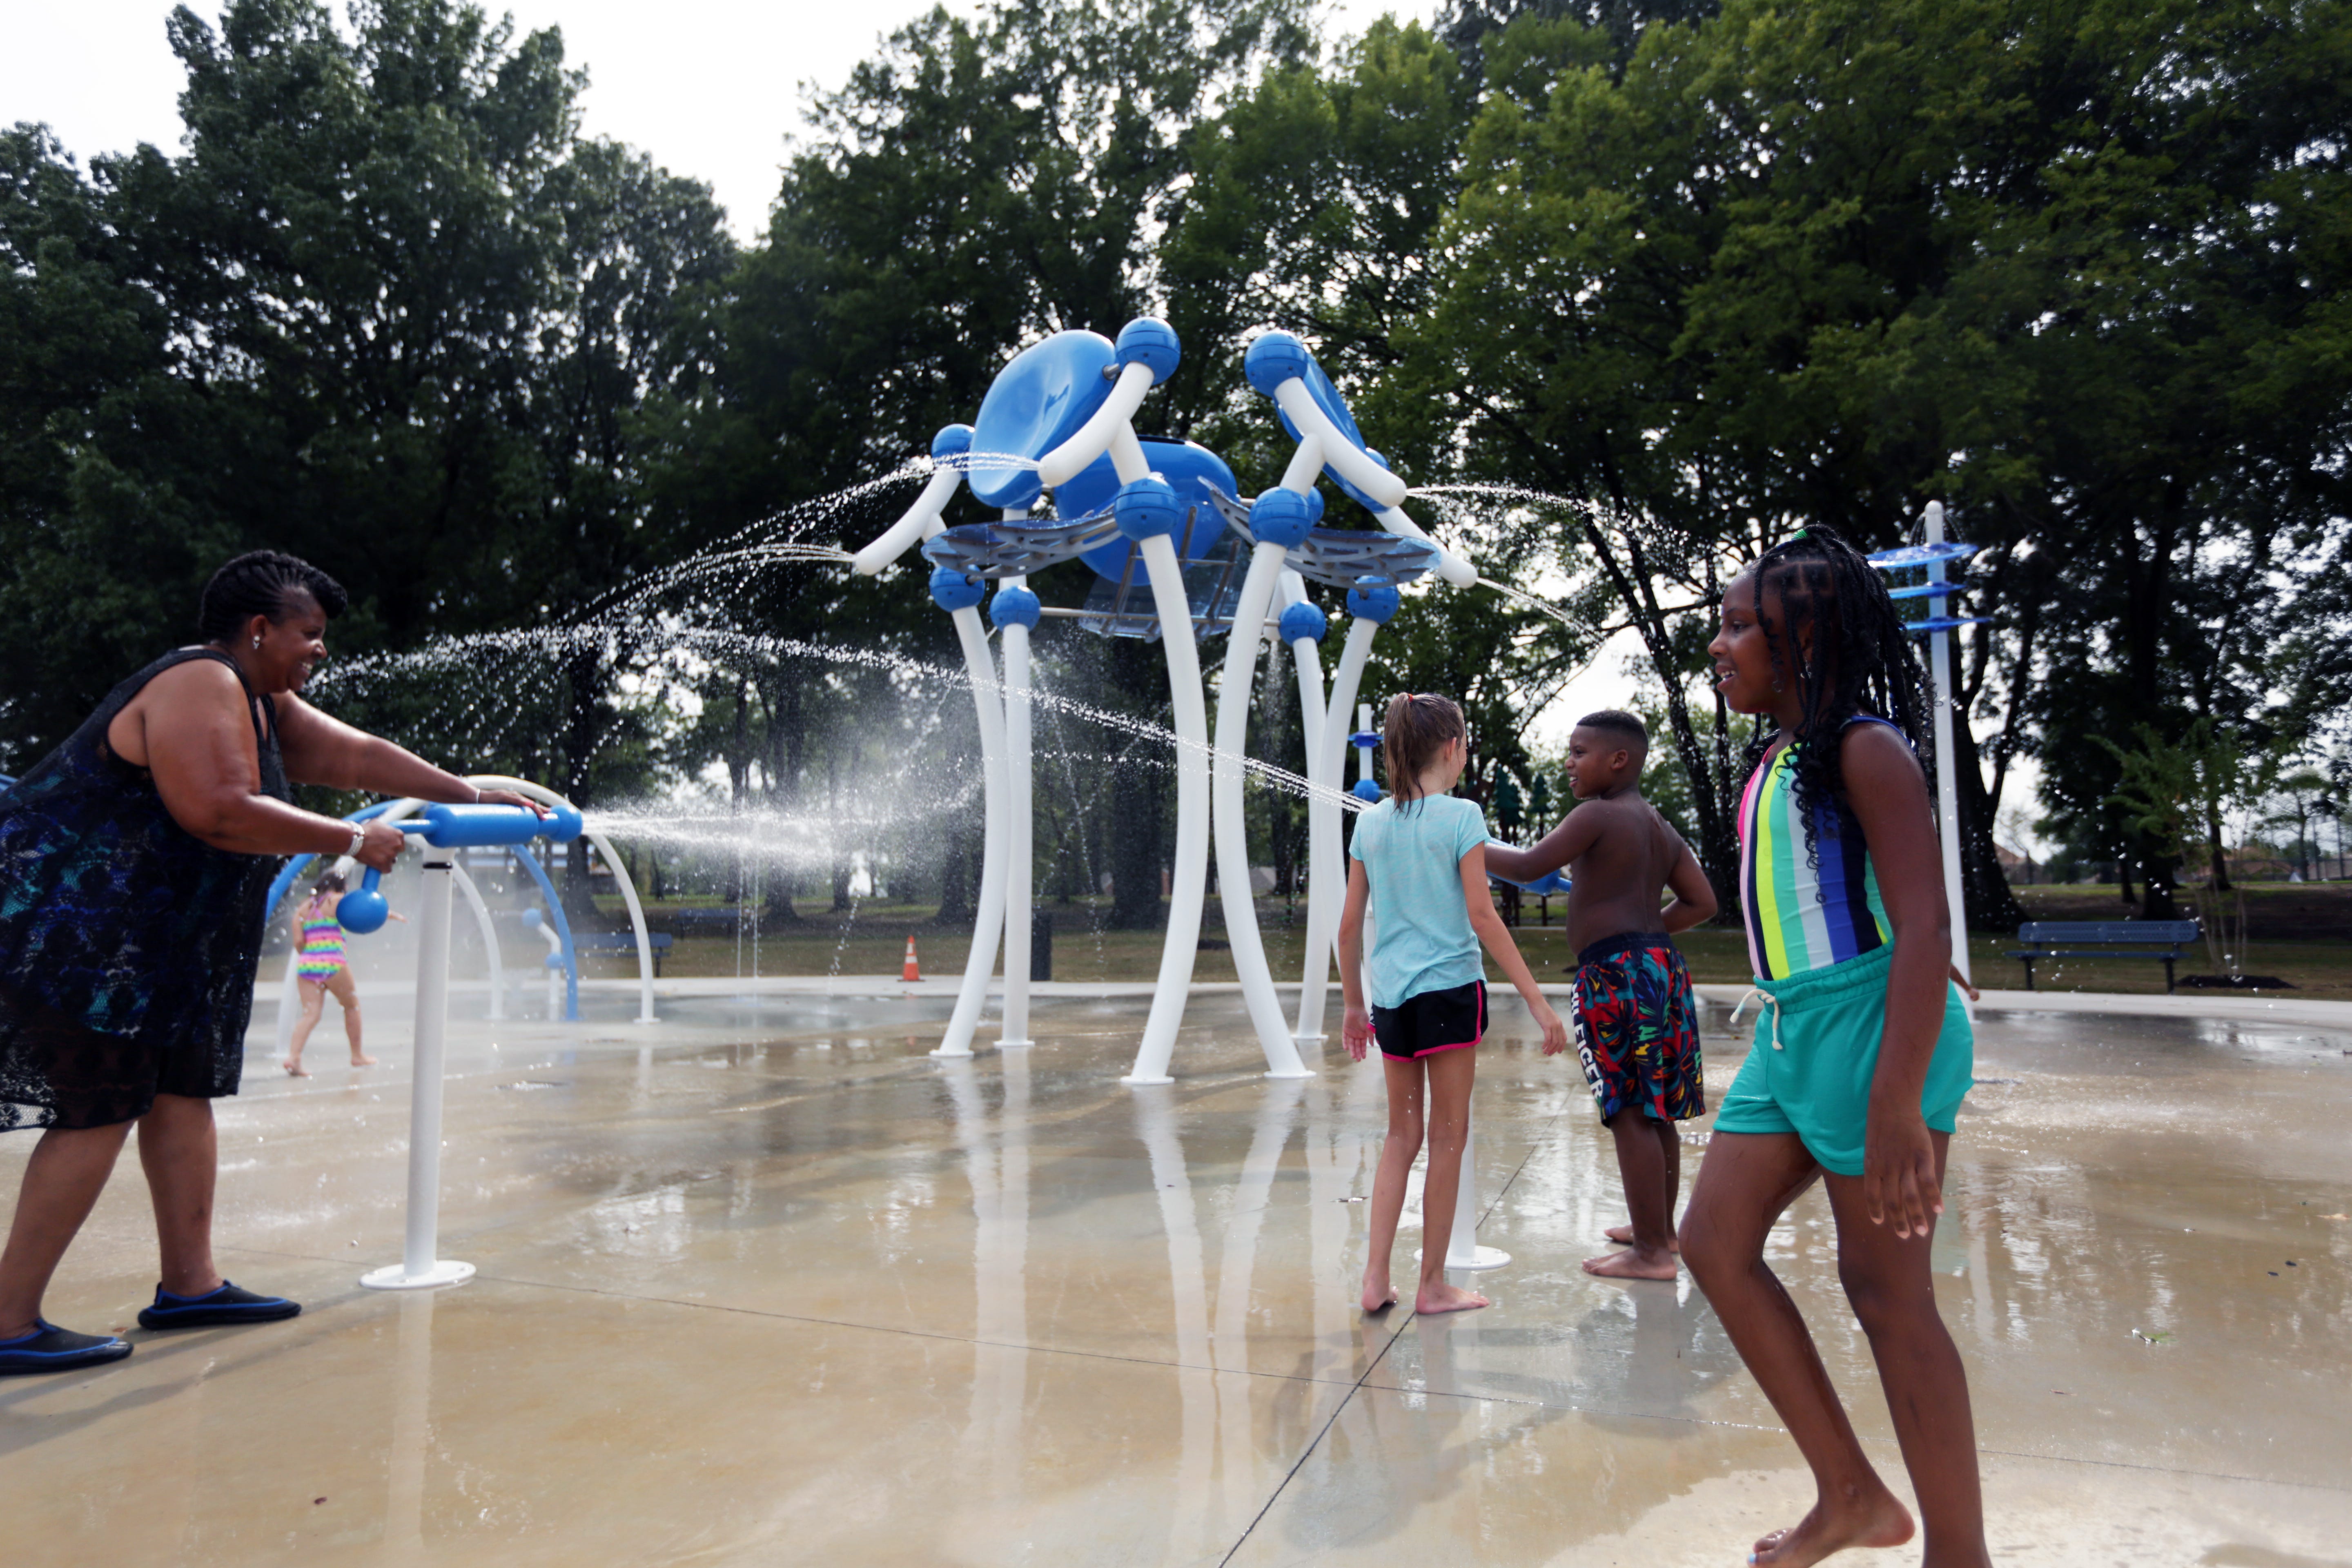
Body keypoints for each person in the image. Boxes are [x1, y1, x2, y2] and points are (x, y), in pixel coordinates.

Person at [0, 550, 544, 1376]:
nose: (319, 650)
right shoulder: (201, 683)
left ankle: (190, 1285)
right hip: (88, 936)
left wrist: (465, 793)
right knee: (98, 1107)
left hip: (163, 943)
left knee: (183, 1094)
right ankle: (7, 1323)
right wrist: (351, 839)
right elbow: (217, 811)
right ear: (259, 630)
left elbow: (359, 757)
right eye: (309, 634)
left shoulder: (261, 701)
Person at [1676, 528, 1991, 1568]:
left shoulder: (1865, 745)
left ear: (1802, 635)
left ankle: (1958, 1552)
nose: (1716, 646)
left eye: (1735, 627)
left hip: (1870, 1037)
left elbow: (1924, 921)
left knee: (1887, 1295)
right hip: (1789, 1028)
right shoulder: (1777, 757)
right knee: (1711, 1241)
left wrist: (1896, 1099)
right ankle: (1849, 1492)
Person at [1338, 692, 1568, 1317]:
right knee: (1447, 1137)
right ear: (1453, 748)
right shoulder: (1462, 816)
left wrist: (1354, 1007)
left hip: (1390, 1001)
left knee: (1399, 1135)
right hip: (1447, 993)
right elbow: (1481, 916)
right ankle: (1433, 1285)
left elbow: (1348, 928)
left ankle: (1374, 1278)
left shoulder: (1371, 822)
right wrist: (1541, 1006)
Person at [1485, 710, 1717, 1281]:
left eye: (1579, 751)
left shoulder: (1596, 814)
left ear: (1619, 760)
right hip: (1660, 969)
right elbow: (1702, 902)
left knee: (1629, 1111)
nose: (1569, 762)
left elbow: (1528, 864)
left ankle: (1652, 1255)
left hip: (1614, 975)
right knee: (1655, 1106)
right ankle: (1658, 1231)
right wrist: (1645, 931)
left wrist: (1463, 839)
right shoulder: (1659, 825)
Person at [283, 870, 402, 1076]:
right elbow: (366, 911)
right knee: (351, 1006)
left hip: (308, 965)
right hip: (333, 964)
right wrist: (391, 915)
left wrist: (313, 955)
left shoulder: (303, 909)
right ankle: (357, 1055)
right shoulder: (338, 901)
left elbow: (299, 943)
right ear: (341, 887)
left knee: (310, 1014)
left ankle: (294, 1057)